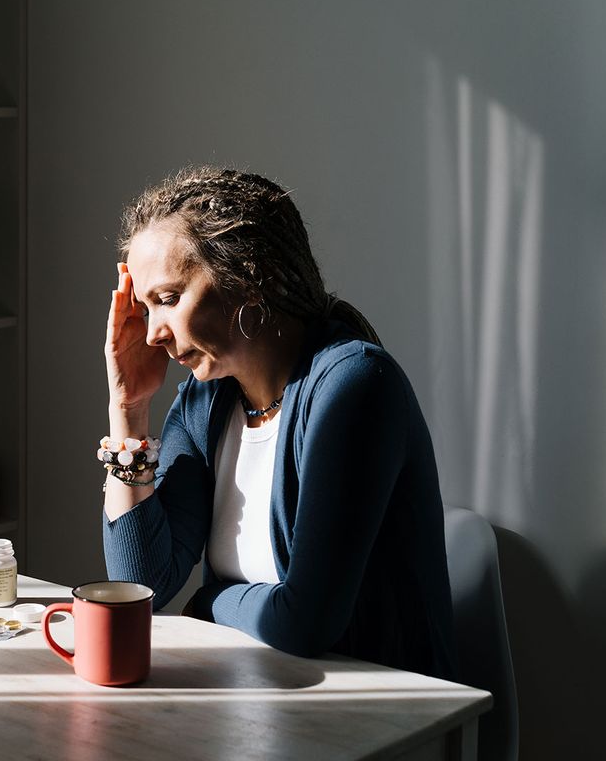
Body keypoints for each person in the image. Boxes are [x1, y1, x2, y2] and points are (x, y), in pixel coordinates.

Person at [101, 166, 458, 679]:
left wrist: (210, 600)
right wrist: (128, 407)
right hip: (257, 698)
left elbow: (306, 623)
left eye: (168, 299)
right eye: (143, 307)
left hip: (381, 711)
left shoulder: (354, 384)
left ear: (248, 277)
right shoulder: (205, 402)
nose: (153, 333)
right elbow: (140, 584)